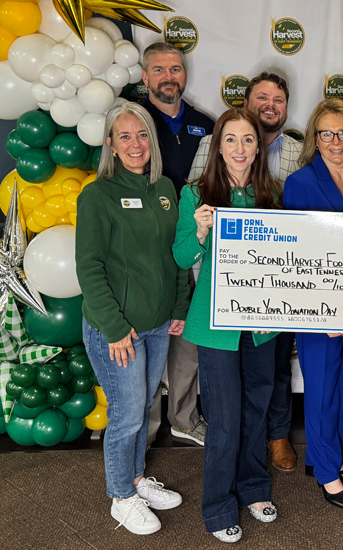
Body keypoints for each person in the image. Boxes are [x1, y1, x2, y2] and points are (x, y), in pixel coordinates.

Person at [76, 102, 189, 535]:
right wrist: (114, 327)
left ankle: (137, 479)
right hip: (118, 329)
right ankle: (121, 497)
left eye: (142, 134)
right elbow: (89, 268)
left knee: (142, 406)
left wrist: (177, 308)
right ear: (110, 145)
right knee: (126, 413)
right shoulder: (98, 195)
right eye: (124, 136)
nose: (135, 144)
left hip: (158, 324)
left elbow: (176, 256)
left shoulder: (164, 188)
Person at [173, 108, 282, 543]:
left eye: (248, 140)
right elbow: (181, 257)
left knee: (257, 405)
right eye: (231, 140)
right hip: (215, 324)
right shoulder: (196, 194)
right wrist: (197, 233)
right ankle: (218, 505)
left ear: (259, 146)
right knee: (223, 416)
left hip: (262, 322)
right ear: (218, 145)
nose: (240, 149)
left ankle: (254, 488)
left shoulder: (271, 194)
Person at [189, 71, 303, 472]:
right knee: (229, 394)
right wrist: (202, 234)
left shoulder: (292, 157)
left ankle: (274, 439)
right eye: (262, 97)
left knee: (271, 375)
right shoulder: (209, 151)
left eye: (278, 99)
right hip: (220, 296)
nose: (270, 105)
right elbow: (197, 209)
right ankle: (231, 467)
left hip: (274, 292)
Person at [282, 99, 343, 509]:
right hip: (320, 308)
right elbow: (298, 253)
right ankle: (325, 472)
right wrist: (324, 309)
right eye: (327, 133)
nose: (336, 141)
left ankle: (329, 456)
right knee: (321, 389)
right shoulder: (301, 182)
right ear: (315, 139)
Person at [140, 42, 214, 447]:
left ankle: (184, 418)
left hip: (194, 245)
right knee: (150, 341)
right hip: (150, 248)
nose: (169, 77)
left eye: (176, 69)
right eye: (159, 70)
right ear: (145, 75)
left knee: (188, 343)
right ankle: (145, 430)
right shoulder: (135, 121)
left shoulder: (205, 123)